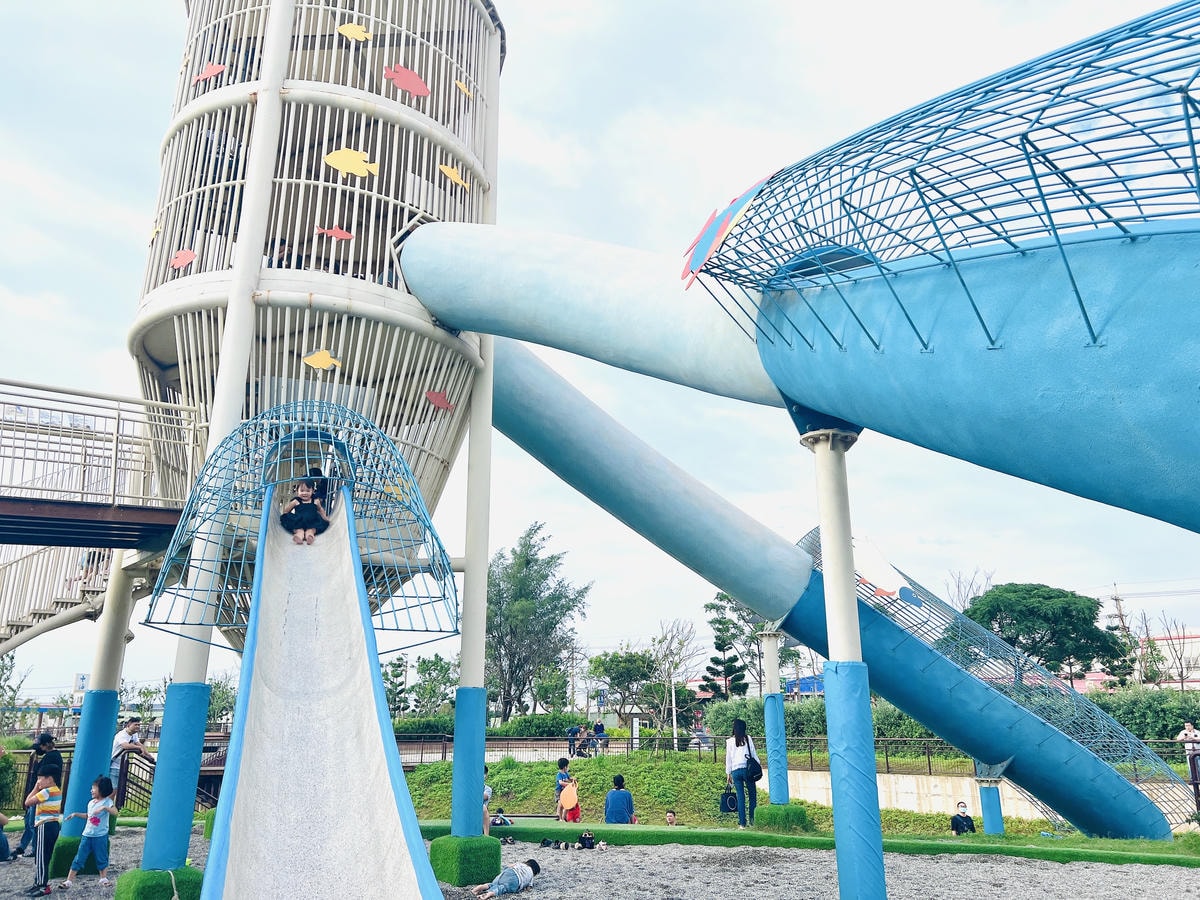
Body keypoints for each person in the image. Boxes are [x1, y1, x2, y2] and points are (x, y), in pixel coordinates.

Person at [59, 776, 117, 889]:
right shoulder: (91, 803)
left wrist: (104, 808)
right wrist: (75, 814)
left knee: (101, 857)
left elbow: (115, 812)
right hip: (87, 835)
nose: (91, 790)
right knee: (79, 857)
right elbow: (88, 816)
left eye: (94, 788)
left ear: (102, 789)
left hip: (100, 836)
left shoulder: (107, 802)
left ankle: (103, 878)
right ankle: (69, 881)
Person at [15, 735, 61, 858]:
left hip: (42, 795)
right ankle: (23, 847)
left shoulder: (51, 758)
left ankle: (34, 848)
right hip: (42, 795)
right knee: (30, 821)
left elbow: (29, 801)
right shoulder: (53, 756)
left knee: (33, 822)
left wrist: (35, 789)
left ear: (45, 745)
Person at [23, 765, 61, 897]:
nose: (38, 781)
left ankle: (42, 885)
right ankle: (38, 882)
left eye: (40, 778)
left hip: (44, 825)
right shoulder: (57, 790)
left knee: (40, 857)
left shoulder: (46, 792)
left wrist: (35, 788)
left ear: (49, 779)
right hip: (54, 825)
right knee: (45, 856)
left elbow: (27, 802)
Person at [725, 717, 759, 828]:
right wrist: (758, 766)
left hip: (735, 771)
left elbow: (728, 758)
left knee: (740, 797)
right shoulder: (747, 738)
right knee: (752, 795)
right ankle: (752, 822)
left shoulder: (729, 741)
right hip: (747, 770)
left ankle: (742, 824)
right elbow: (753, 754)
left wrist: (728, 773)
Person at [278, 478, 330, 545]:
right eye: (302, 491)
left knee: (311, 530)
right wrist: (286, 517)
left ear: (313, 491)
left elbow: (320, 510)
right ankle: (299, 537)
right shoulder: (296, 501)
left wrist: (325, 518)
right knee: (299, 530)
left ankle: (310, 537)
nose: (305, 493)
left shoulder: (315, 501)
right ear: (297, 491)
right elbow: (286, 511)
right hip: (299, 521)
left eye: (308, 491)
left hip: (312, 521)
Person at [110, 718, 155, 785]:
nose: (137, 727)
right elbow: (125, 746)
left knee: (118, 788)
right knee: (113, 789)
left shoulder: (134, 734)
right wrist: (138, 747)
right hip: (114, 765)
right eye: (135, 725)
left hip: (122, 764)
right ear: (128, 725)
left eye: (138, 725)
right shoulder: (121, 735)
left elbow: (139, 744)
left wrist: (148, 755)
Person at [470, 859, 539, 898]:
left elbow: (509, 866)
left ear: (527, 862)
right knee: (503, 888)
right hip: (516, 880)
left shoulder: (521, 864)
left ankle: (479, 888)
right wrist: (527, 888)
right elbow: (529, 888)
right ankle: (490, 893)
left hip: (508, 872)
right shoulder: (531, 875)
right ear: (534, 871)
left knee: (493, 883)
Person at [483, 766, 493, 837]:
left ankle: (486, 836)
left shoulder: (488, 789)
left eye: (483, 773)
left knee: (483, 808)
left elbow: (484, 797)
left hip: (481, 815)